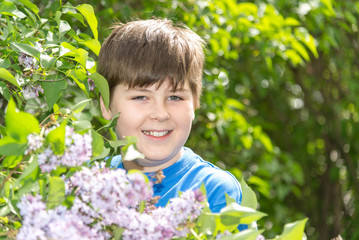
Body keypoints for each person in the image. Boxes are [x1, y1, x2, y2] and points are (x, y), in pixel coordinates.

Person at [98, 18, 246, 230]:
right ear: (106, 106)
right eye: (140, 97)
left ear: (195, 103)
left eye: (175, 97)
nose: (160, 114)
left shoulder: (213, 191)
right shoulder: (92, 182)